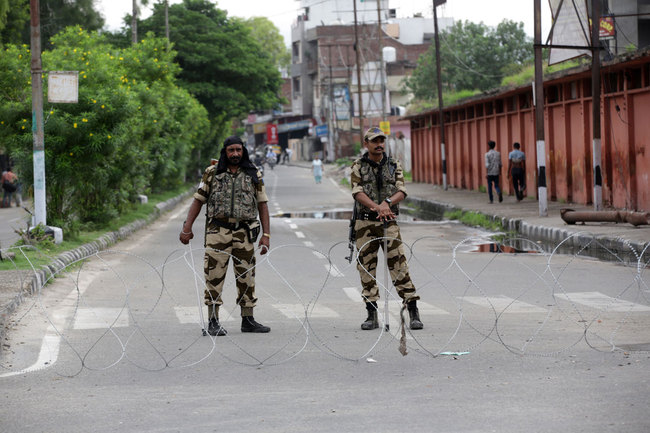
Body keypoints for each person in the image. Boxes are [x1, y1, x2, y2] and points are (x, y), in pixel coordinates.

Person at [179, 136, 271, 336]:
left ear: (243, 151)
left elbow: (262, 204)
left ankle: (248, 319)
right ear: (225, 152)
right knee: (214, 276)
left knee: (246, 276)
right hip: (217, 232)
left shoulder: (254, 173)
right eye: (231, 150)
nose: (235, 154)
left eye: (238, 150)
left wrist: (266, 235)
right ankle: (213, 320)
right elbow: (198, 200)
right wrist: (187, 227)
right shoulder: (212, 173)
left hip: (244, 233)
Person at [350, 126, 423, 331]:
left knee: (399, 265)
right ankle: (371, 314)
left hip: (388, 222)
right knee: (366, 269)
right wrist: (377, 207)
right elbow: (357, 192)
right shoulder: (358, 166)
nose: (379, 144)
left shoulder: (393, 165)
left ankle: (413, 310)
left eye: (381, 140)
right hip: (365, 223)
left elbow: (402, 190)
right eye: (374, 141)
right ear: (366, 143)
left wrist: (386, 204)